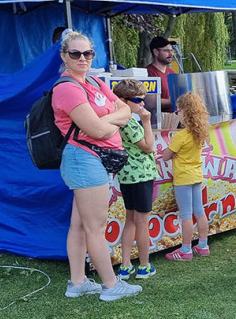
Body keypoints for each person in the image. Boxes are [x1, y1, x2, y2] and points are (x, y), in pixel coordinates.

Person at [52, 31, 141, 301]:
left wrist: (110, 119)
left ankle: (77, 282)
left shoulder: (93, 82)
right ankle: (111, 286)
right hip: (85, 159)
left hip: (93, 160)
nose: (82, 58)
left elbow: (127, 111)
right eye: (75, 54)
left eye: (87, 53)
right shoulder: (67, 88)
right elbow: (98, 130)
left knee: (80, 225)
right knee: (95, 227)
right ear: (64, 56)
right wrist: (114, 118)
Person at [112, 79, 158, 280]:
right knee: (141, 221)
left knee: (130, 219)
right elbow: (148, 146)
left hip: (127, 176)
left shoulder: (116, 119)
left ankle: (125, 265)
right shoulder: (129, 122)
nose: (143, 104)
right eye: (138, 100)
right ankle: (145, 265)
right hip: (141, 175)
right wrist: (146, 122)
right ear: (123, 100)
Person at [162, 92, 211, 260]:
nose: (177, 114)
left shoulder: (180, 135)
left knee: (186, 215)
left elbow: (165, 156)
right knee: (200, 211)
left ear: (184, 112)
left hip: (183, 178)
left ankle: (186, 249)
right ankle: (203, 245)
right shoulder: (199, 133)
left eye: (178, 111)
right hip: (197, 176)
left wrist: (170, 153)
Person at [146, 36, 177, 111]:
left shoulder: (172, 72)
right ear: (156, 52)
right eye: (166, 51)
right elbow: (151, 102)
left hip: (174, 118)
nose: (171, 54)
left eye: (171, 50)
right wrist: (177, 102)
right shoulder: (148, 73)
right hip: (157, 119)